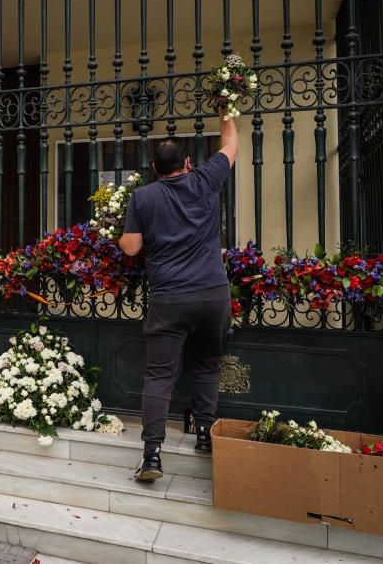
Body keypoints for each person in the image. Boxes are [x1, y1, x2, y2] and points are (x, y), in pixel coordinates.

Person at [118, 107, 238, 482]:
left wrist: (121, 232)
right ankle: (204, 434)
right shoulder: (206, 179)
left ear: (154, 167)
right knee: (206, 365)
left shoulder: (143, 198)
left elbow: (131, 249)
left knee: (159, 377)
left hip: (169, 298)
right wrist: (225, 107)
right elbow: (231, 143)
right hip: (212, 294)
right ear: (188, 162)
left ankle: (152, 455)